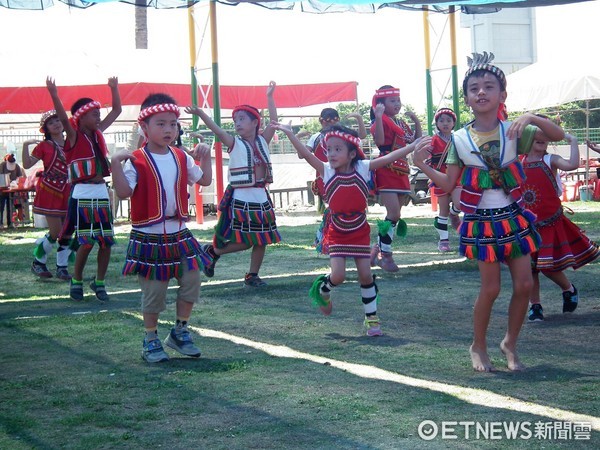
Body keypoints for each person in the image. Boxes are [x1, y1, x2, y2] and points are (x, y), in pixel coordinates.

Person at [413, 52, 565, 372]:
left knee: (524, 285)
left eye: (489, 86)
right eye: (474, 88)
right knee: (491, 288)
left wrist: (533, 118)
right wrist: (422, 165)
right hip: (481, 220)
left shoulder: (515, 131)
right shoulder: (458, 138)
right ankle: (478, 344)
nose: (481, 92)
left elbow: (557, 135)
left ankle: (510, 342)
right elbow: (449, 181)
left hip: (513, 216)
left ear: (502, 95)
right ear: (467, 98)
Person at [277, 122, 431, 336]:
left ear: (352, 154)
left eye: (337, 149)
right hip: (337, 229)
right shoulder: (326, 170)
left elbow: (387, 159)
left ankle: (372, 319)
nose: (331, 153)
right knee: (338, 276)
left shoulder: (363, 168)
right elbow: (305, 153)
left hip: (359, 228)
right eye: (329, 149)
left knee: (366, 276)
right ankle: (323, 290)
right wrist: (289, 134)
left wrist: (412, 145)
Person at [111, 93, 213, 363]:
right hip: (149, 236)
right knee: (154, 292)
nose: (169, 129)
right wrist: (114, 165)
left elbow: (204, 180)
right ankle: (150, 338)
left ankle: (180, 331)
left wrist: (207, 156)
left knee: (192, 280)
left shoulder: (181, 156)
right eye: (161, 124)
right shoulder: (136, 160)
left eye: (173, 124)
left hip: (179, 234)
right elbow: (123, 193)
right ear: (144, 128)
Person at [185, 81, 281, 287]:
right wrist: (201, 114)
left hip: (261, 196)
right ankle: (213, 250)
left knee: (262, 239)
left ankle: (252, 275)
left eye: (242, 119)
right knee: (246, 240)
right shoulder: (234, 143)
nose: (237, 123)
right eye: (235, 119)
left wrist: (270, 97)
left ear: (255, 122)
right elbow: (217, 130)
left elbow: (274, 121)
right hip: (242, 196)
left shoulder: (263, 140)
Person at [46, 76, 122, 302]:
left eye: (99, 113)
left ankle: (99, 281)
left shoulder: (98, 134)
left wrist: (114, 88)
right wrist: (53, 93)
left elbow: (117, 110)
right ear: (80, 118)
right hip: (82, 194)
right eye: (94, 113)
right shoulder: (73, 136)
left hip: (100, 192)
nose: (99, 117)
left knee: (106, 242)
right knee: (87, 242)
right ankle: (76, 279)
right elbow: (62, 116)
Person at [521, 132, 600, 321]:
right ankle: (535, 306)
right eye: (536, 134)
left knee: (547, 266)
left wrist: (573, 140)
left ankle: (568, 289)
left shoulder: (551, 159)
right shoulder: (518, 162)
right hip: (526, 226)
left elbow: (572, 165)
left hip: (550, 223)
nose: (541, 138)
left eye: (545, 134)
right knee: (528, 268)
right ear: (526, 137)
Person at [369, 85, 423, 272]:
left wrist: (416, 122)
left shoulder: (400, 123)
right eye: (392, 101)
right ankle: (386, 255)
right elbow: (380, 142)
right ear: (381, 104)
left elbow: (416, 141)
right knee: (394, 214)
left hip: (402, 169)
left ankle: (376, 250)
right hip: (386, 168)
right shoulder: (378, 122)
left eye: (398, 100)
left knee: (394, 217)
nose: (397, 104)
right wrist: (378, 116)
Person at [22, 110, 73, 280]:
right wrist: (25, 145)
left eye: (58, 120)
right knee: (56, 231)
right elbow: (27, 164)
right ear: (46, 129)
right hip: (50, 191)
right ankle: (38, 261)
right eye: (51, 123)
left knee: (67, 231)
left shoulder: (71, 142)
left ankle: (62, 267)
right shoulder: (44, 146)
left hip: (68, 189)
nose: (56, 124)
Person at [426, 108, 462, 252]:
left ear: (454, 123)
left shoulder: (458, 138)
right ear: (437, 123)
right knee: (443, 210)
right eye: (441, 120)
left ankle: (454, 214)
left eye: (449, 120)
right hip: (439, 177)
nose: (445, 123)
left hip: (457, 177)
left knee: (460, 203)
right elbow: (426, 155)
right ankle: (444, 241)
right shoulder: (433, 139)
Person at [0, 151, 25, 229]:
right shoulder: (2, 165)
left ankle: (10, 223)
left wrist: (15, 182)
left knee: (10, 207)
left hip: (12, 190)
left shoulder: (17, 166)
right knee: (1, 206)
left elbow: (20, 177)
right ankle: (0, 223)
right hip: (2, 189)